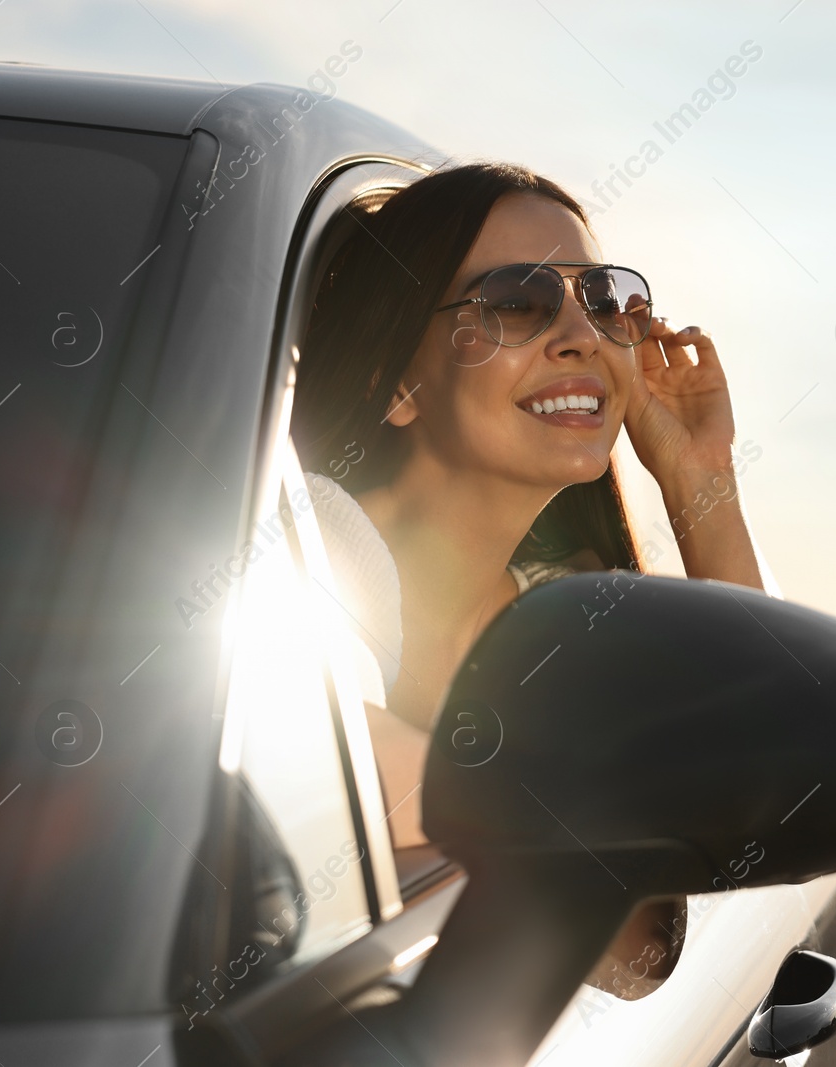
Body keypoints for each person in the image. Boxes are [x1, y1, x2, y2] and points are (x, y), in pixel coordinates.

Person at [290, 161, 771, 1000]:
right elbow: (308, 763)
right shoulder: (305, 551)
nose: (582, 333)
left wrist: (701, 481)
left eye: (606, 299)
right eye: (517, 300)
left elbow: (766, 796)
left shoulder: (570, 620)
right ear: (395, 381)